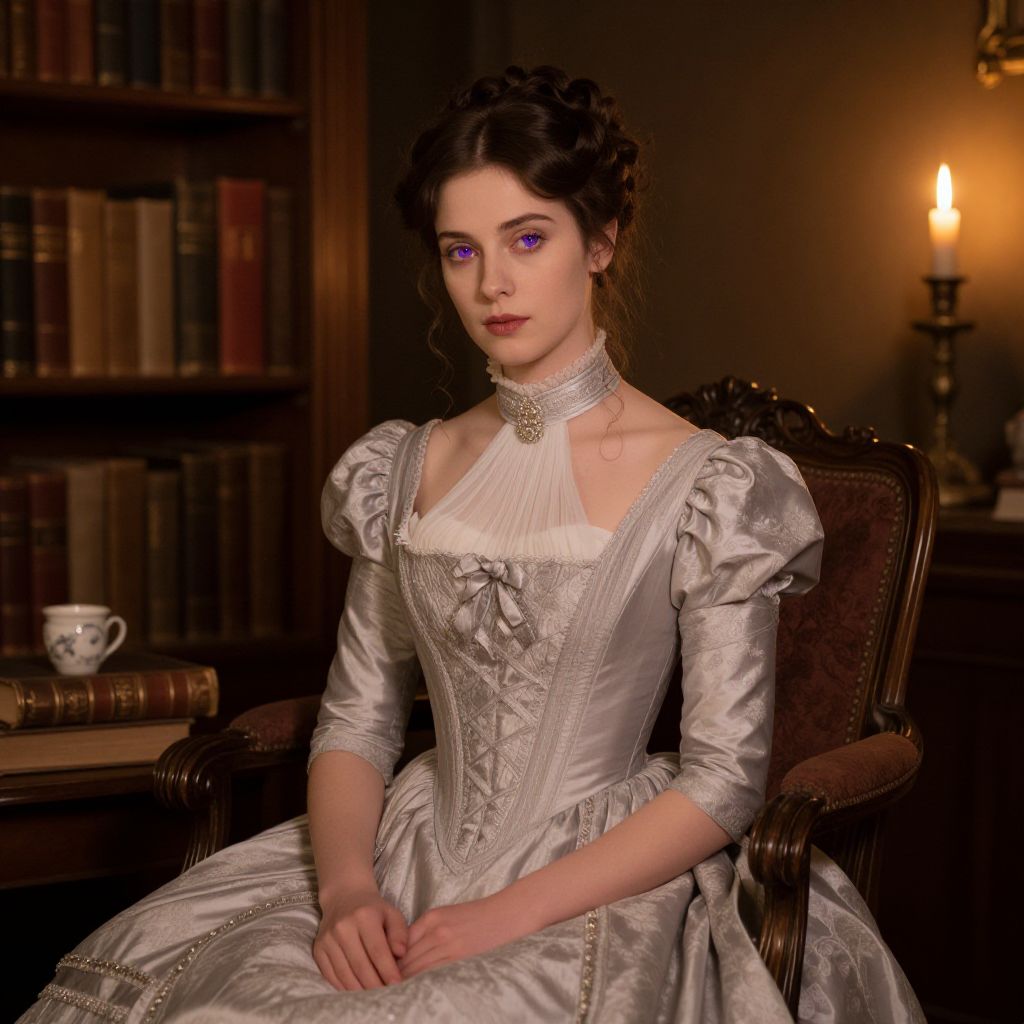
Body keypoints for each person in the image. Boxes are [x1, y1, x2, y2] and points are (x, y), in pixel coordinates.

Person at [19, 65, 925, 1024]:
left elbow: (724, 779)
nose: (491, 283)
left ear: (601, 242)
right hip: (399, 852)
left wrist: (501, 916)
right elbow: (358, 722)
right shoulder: (405, 467)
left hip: (602, 876)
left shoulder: (710, 485)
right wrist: (348, 892)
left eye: (526, 239)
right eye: (460, 251)